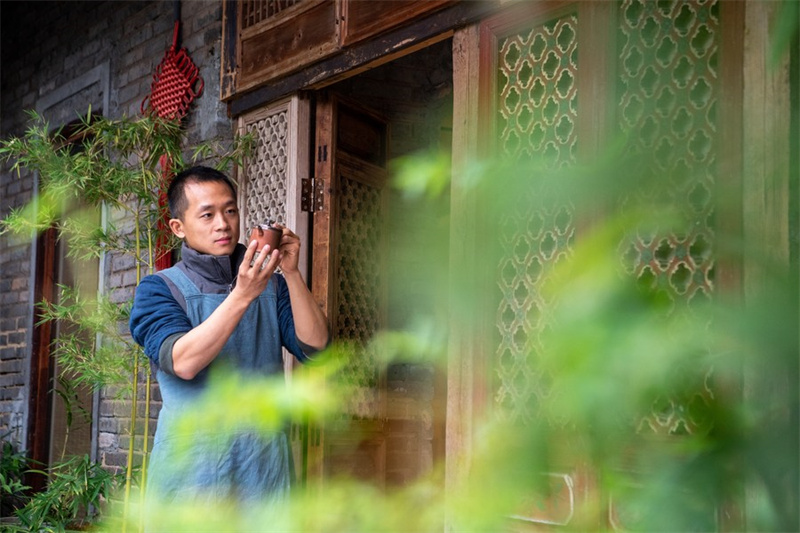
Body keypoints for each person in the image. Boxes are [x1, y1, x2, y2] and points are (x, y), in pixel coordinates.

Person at [129, 165, 329, 509]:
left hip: (264, 464)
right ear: (178, 227)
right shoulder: (159, 289)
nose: (222, 224)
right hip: (193, 470)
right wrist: (242, 294)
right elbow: (183, 361)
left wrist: (292, 274)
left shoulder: (274, 286)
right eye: (207, 215)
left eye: (230, 210)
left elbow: (316, 347)